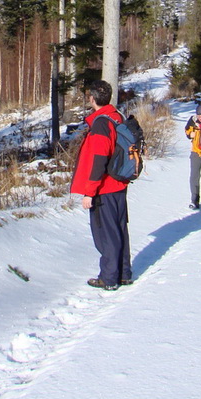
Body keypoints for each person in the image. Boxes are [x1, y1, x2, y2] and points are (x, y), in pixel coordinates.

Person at [70, 80, 132, 291]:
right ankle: (123, 273)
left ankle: (109, 277)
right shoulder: (117, 116)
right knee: (119, 229)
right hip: (119, 184)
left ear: (92, 99)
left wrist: (89, 193)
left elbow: (99, 159)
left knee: (106, 235)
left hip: (104, 188)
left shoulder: (100, 123)